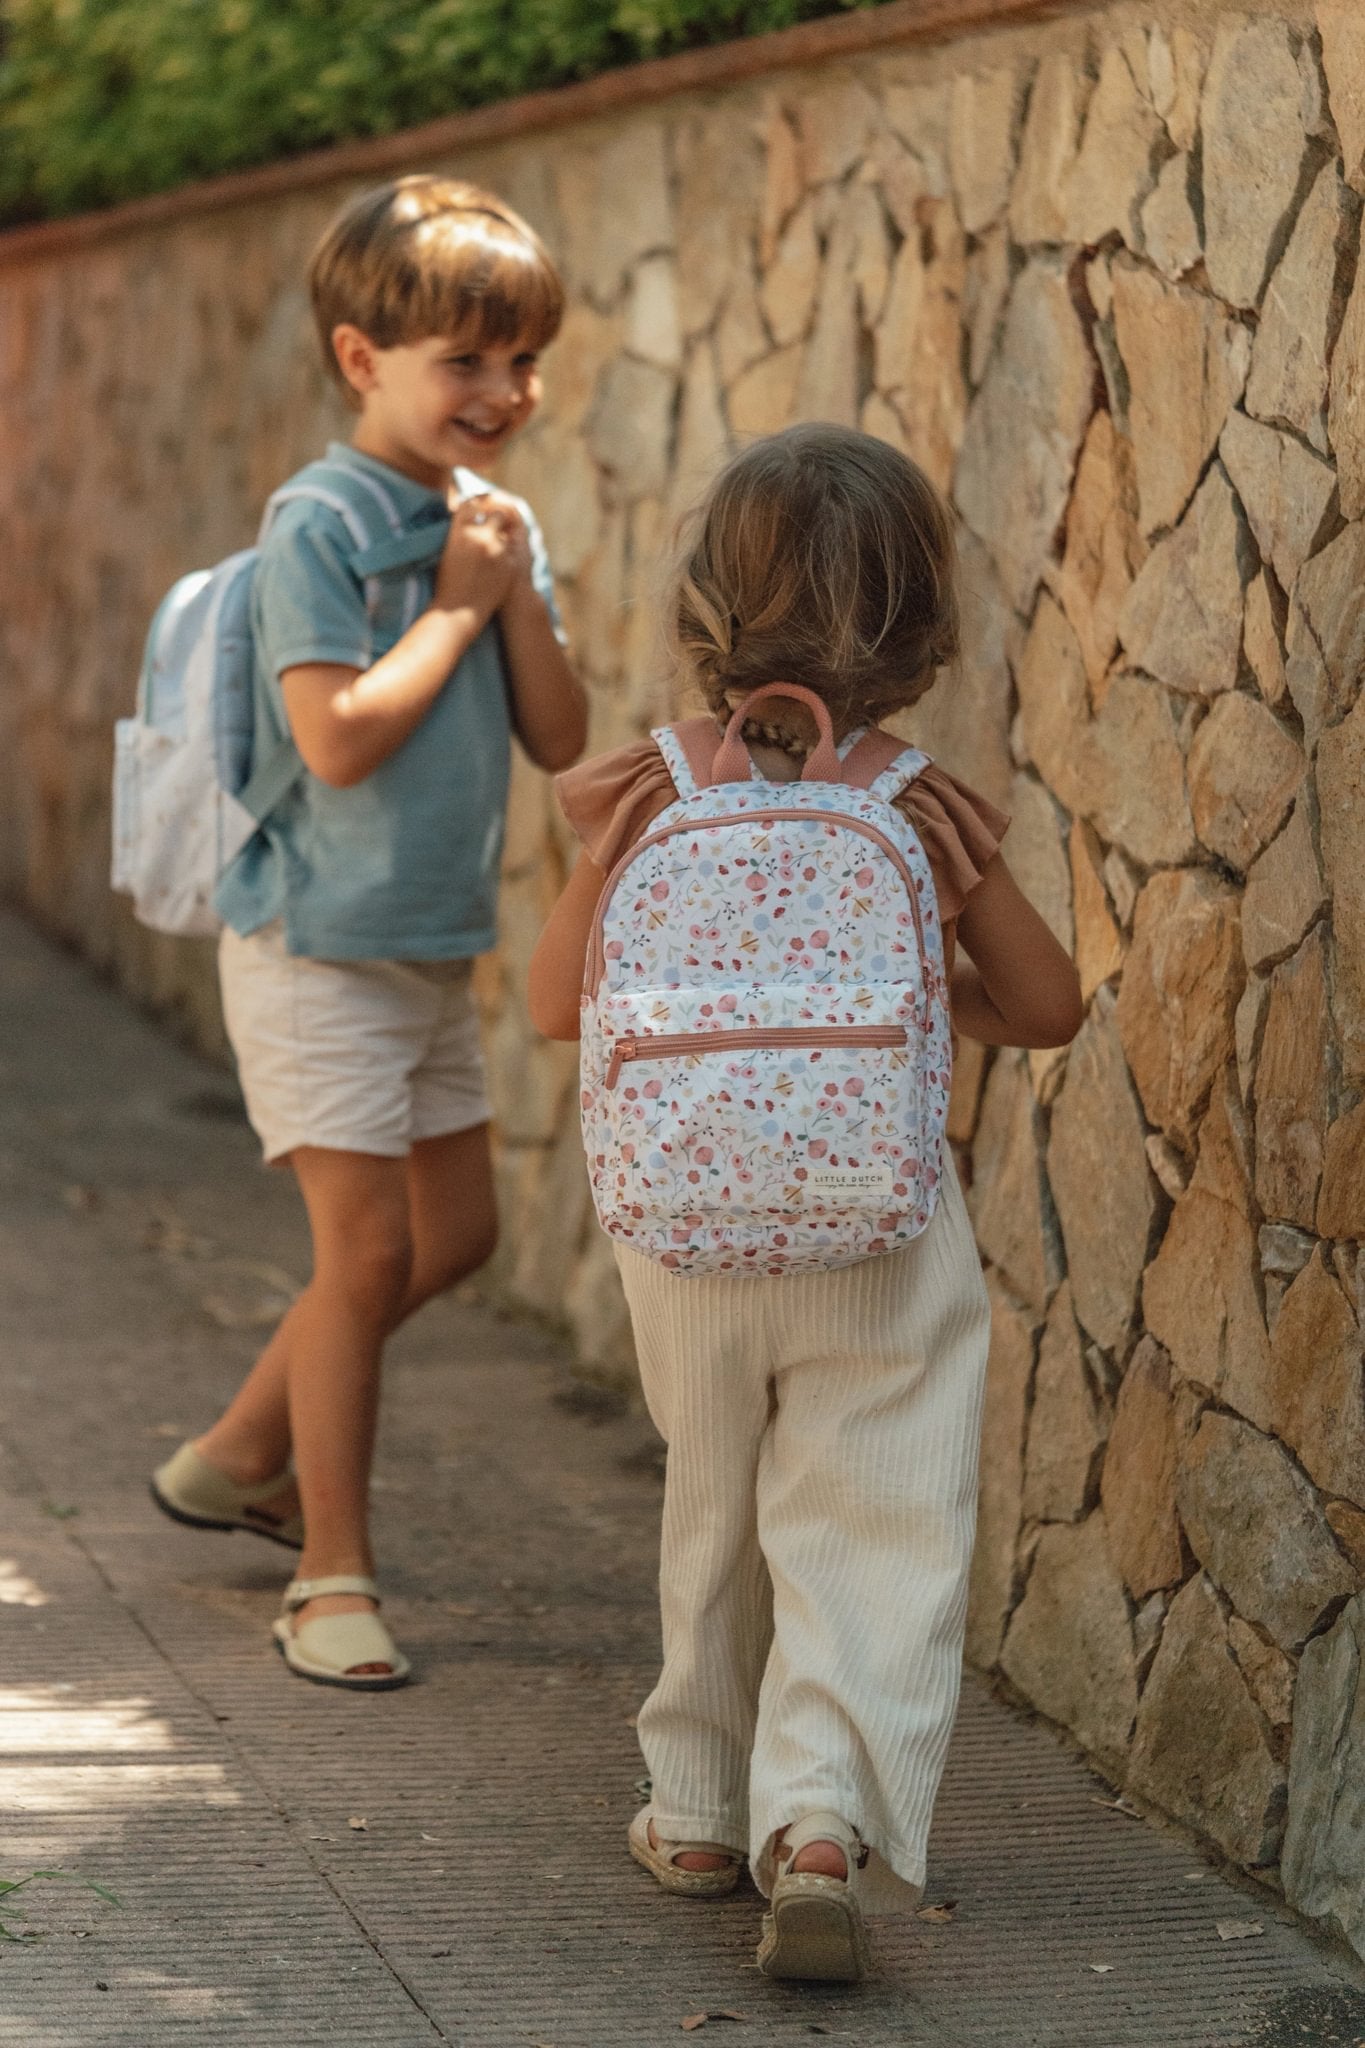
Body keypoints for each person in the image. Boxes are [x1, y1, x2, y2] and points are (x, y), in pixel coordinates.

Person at [528, 424, 1083, 1979]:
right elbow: (1044, 1012)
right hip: (878, 1229)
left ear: (708, 610)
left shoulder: (653, 786)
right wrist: (947, 943)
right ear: (916, 635)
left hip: (684, 1233)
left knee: (710, 1504)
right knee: (872, 1514)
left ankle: (697, 1805)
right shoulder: (911, 800)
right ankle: (820, 1824)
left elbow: (557, 1006)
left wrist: (596, 868)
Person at [151, 175, 586, 1690]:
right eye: (462, 360)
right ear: (363, 362)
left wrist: (509, 587)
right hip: (312, 940)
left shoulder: (487, 526)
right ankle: (327, 1573)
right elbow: (334, 742)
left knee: (453, 1235)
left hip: (421, 942)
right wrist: (456, 608)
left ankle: (237, 1454)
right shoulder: (316, 525)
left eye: (520, 359)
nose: (500, 391)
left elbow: (556, 730)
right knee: (367, 1251)